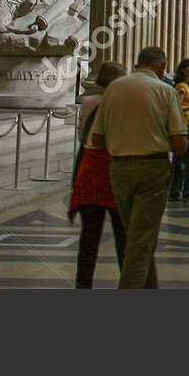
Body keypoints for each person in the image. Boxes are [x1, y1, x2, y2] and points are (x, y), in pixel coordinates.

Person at [87, 47, 189, 288]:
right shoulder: (166, 91)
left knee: (140, 236)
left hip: (119, 170)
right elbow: (180, 143)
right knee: (140, 241)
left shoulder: (113, 89)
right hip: (152, 170)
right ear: (162, 68)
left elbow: (98, 139)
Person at [70, 62, 128, 287]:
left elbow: (83, 136)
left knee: (89, 238)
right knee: (123, 235)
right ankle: (129, 284)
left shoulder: (88, 102)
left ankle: (83, 285)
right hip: (112, 171)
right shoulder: (121, 104)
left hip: (89, 171)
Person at [169, 59, 189, 202]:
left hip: (182, 125)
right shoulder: (182, 86)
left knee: (178, 161)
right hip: (185, 126)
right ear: (183, 70)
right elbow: (177, 107)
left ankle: (175, 191)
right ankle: (188, 191)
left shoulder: (184, 85)